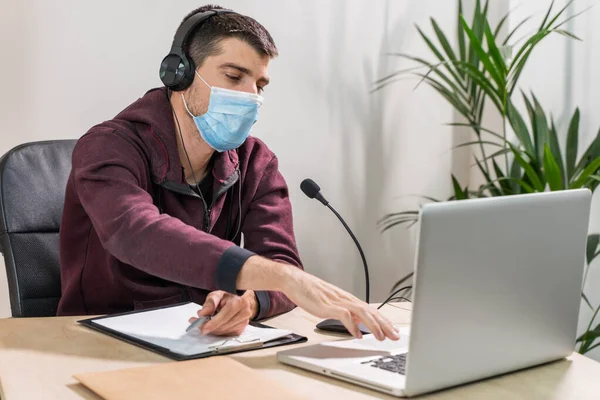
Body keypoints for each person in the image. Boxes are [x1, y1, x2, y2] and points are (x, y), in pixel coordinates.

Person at [57, 4, 399, 341]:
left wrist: (247, 302)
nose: (251, 96)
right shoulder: (107, 146)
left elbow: (280, 259)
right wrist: (283, 279)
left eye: (260, 85)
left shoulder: (256, 161)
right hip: (97, 341)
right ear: (180, 74)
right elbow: (135, 231)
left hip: (199, 341)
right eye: (234, 76)